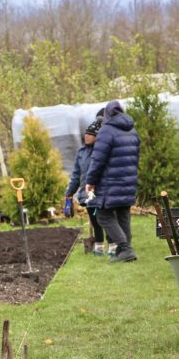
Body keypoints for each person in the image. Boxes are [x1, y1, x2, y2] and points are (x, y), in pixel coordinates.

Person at [85, 100, 140, 263]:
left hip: (111, 182)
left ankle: (126, 248)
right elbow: (136, 157)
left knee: (103, 216)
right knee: (123, 214)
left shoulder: (106, 131)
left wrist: (90, 181)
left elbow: (98, 159)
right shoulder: (132, 131)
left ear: (107, 115)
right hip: (129, 180)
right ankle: (124, 251)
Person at [66, 118, 108, 255]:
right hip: (87, 194)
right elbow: (76, 175)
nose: (86, 136)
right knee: (95, 222)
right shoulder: (81, 152)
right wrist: (69, 193)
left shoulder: (101, 151)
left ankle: (114, 247)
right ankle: (99, 248)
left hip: (100, 192)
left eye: (90, 134)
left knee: (105, 221)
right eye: (86, 133)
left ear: (97, 137)